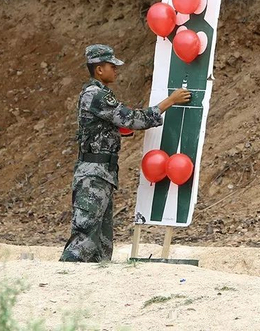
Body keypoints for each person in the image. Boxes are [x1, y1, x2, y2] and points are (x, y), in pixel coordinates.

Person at [60, 44, 191, 262]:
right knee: (84, 238)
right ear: (99, 69)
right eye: (112, 66)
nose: (116, 70)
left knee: (101, 243)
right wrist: (170, 101)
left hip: (101, 173)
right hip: (94, 174)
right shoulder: (96, 95)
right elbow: (133, 119)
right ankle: (62, 275)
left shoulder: (98, 94)